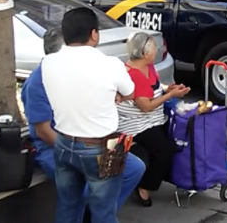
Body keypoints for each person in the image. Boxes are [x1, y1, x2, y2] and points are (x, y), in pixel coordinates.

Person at [22, 28, 146, 221]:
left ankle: (96, 213)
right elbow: (43, 131)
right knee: (79, 192)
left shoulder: (83, 70)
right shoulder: (38, 81)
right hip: (57, 145)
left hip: (98, 140)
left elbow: (125, 92)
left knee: (135, 168)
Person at [117, 32, 190, 206]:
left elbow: (156, 86)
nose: (157, 49)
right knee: (166, 151)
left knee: (178, 137)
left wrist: (168, 88)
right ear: (145, 53)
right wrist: (171, 95)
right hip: (137, 125)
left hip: (153, 120)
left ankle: (158, 176)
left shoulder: (147, 67)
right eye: (153, 47)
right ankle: (144, 186)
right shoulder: (134, 75)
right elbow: (145, 106)